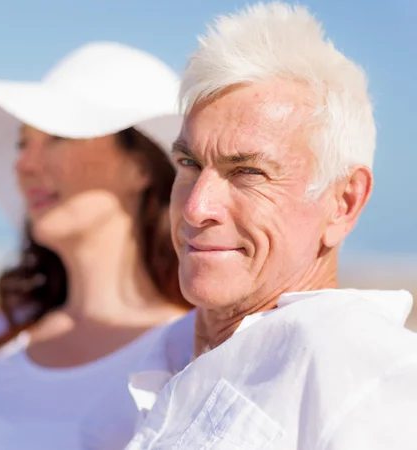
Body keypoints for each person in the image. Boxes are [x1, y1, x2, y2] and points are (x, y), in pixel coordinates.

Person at [125, 3, 417, 449]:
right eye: (188, 162)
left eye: (247, 172)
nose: (196, 207)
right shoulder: (161, 352)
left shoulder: (363, 372)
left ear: (344, 202)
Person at [0, 42, 195, 450]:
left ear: (140, 166)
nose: (23, 165)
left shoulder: (187, 350)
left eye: (58, 136)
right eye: (22, 144)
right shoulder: (11, 328)